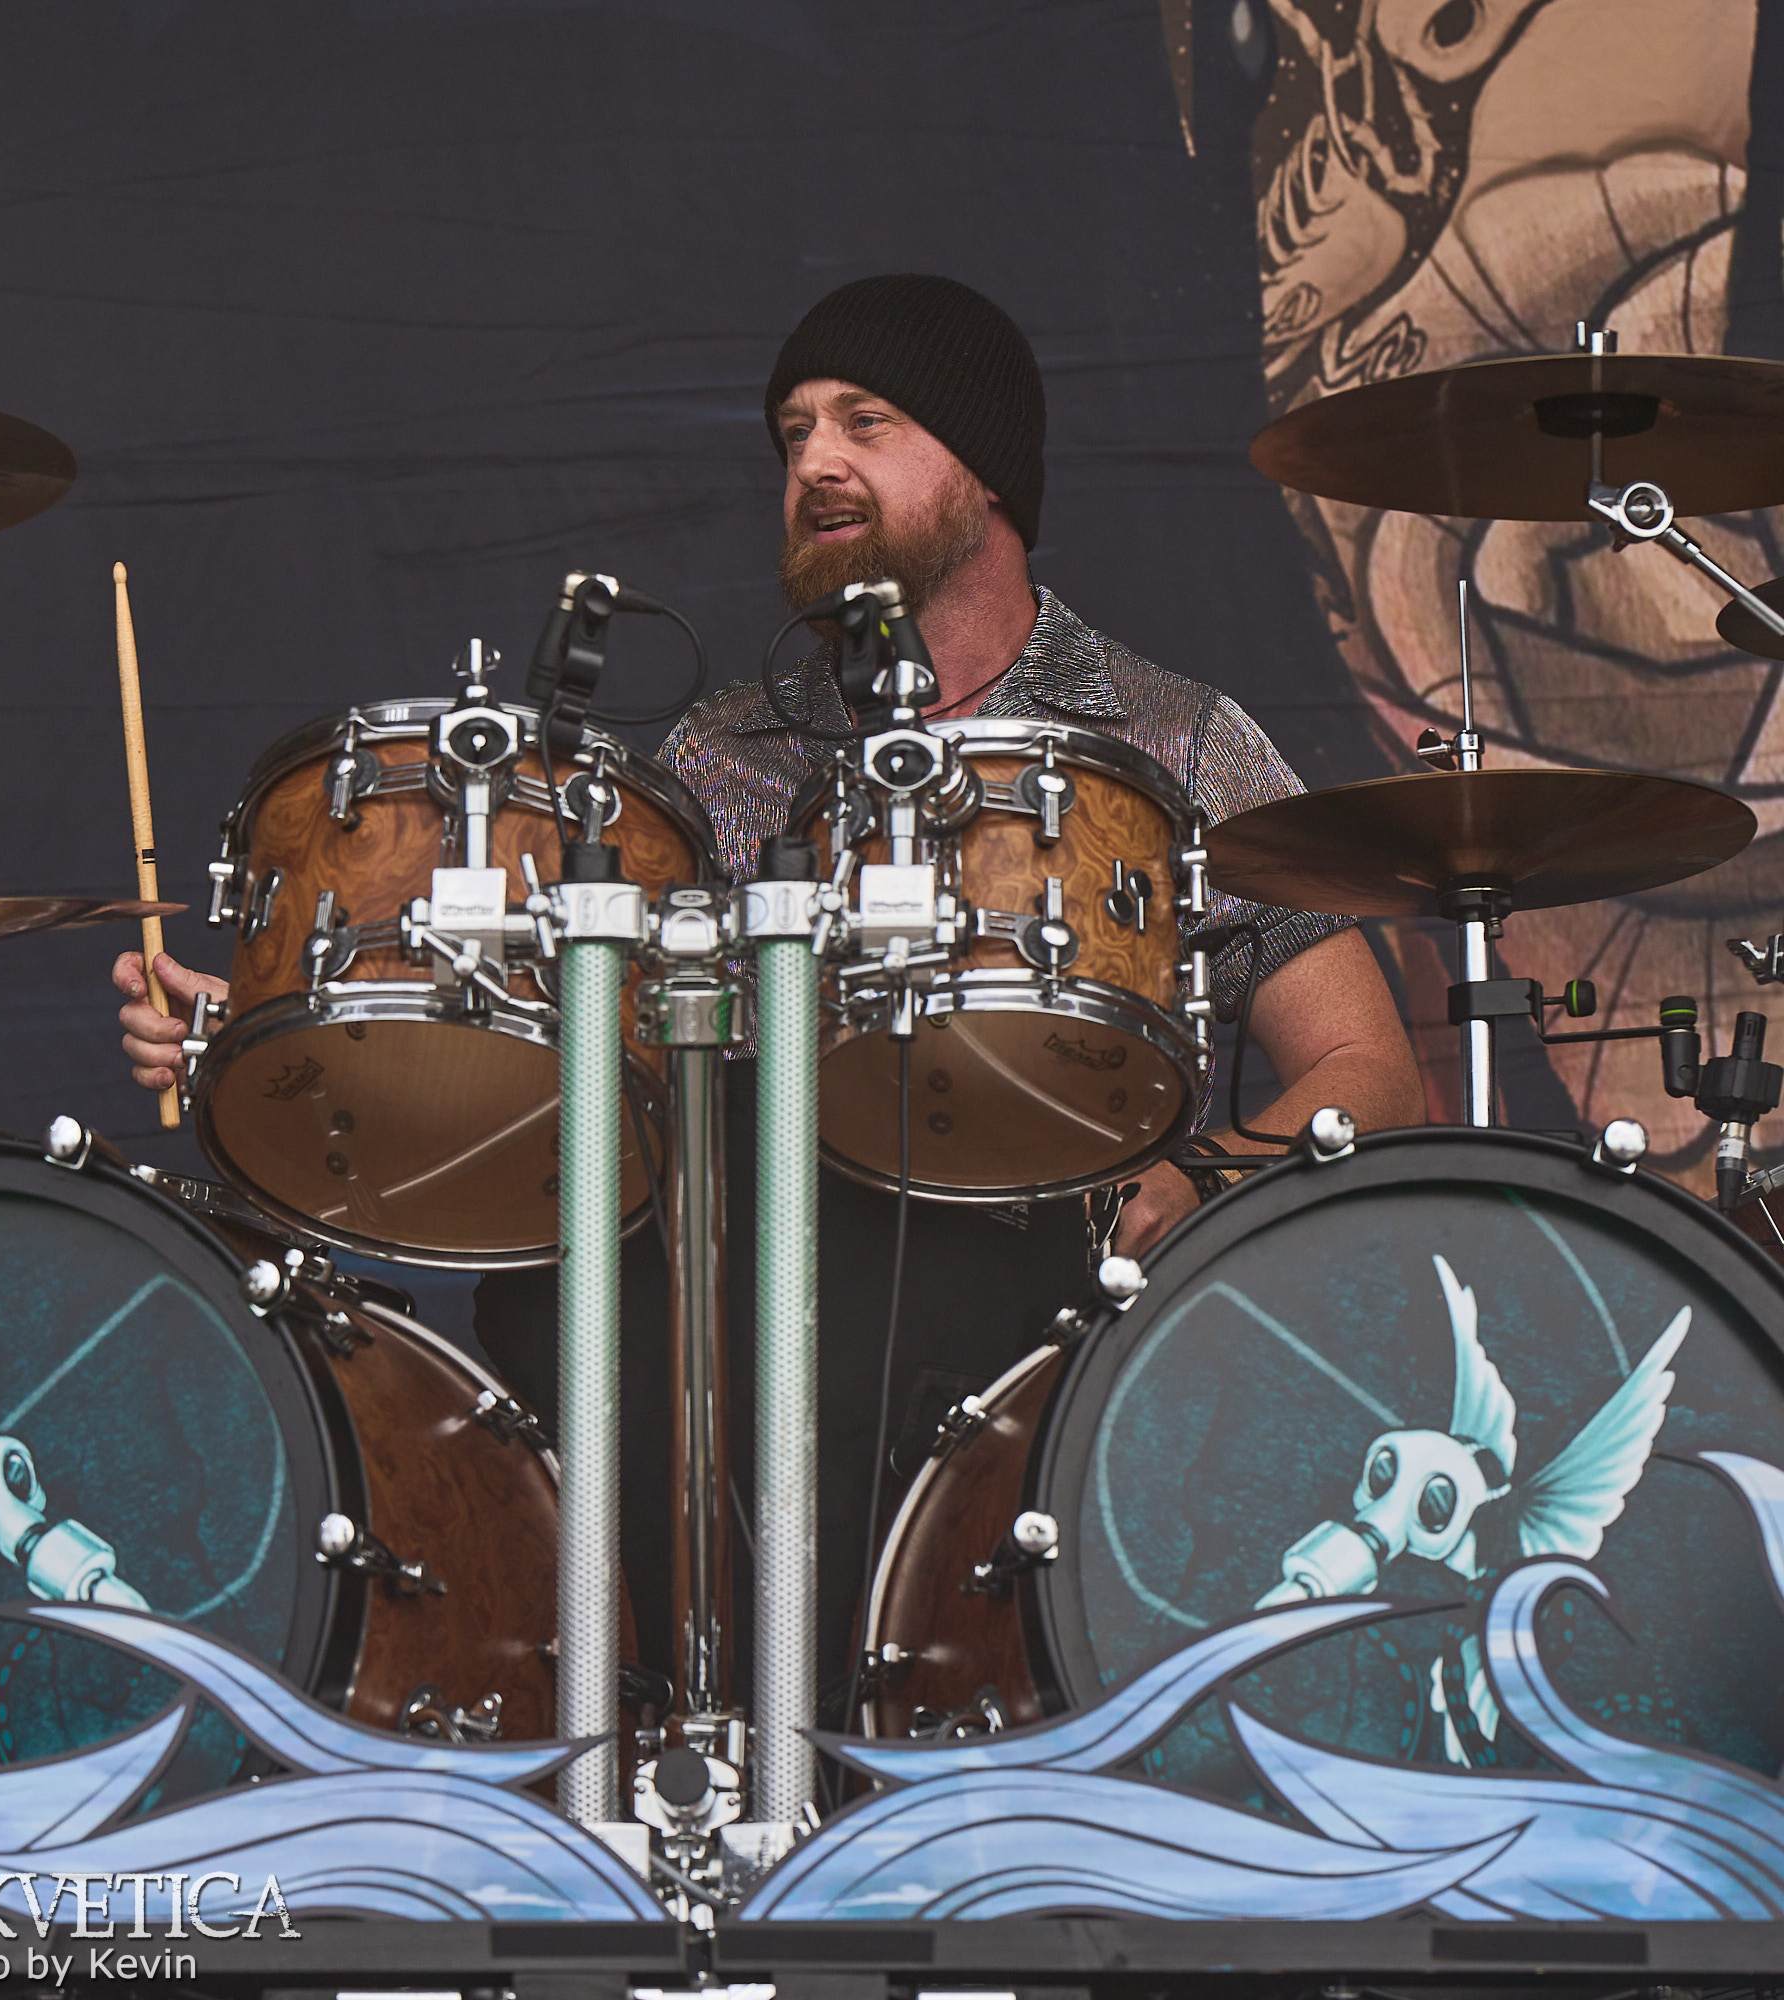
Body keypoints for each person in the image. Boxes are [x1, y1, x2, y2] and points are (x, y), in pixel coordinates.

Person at [115, 274, 1423, 1711]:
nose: (815, 463)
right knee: (565, 1289)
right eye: (794, 433)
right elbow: (557, 1055)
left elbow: (1368, 1067)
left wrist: (1198, 1170)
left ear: (987, 471)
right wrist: (272, 1025)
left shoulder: (1174, 736)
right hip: (741, 1291)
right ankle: (655, 1742)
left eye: (866, 421)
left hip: (1049, 1287)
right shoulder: (718, 756)